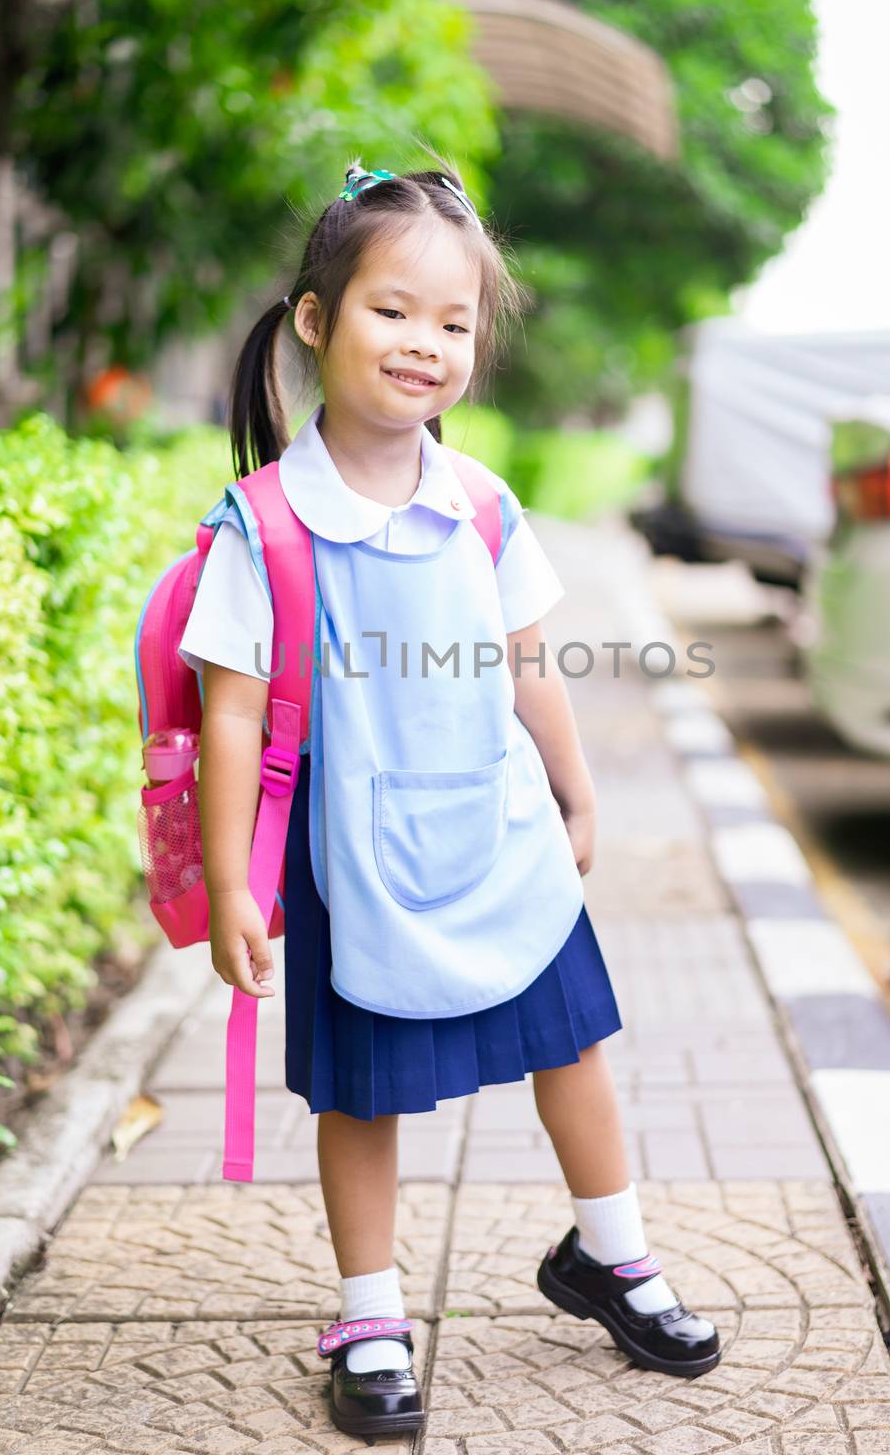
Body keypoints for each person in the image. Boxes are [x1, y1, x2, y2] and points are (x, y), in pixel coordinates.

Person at [178, 157, 721, 1441]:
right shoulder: (265, 527)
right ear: (315, 320)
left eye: (453, 321)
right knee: (358, 1094)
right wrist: (229, 893)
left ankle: (613, 1255)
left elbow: (530, 664)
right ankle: (369, 1312)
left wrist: (576, 795)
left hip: (499, 835)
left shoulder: (480, 505)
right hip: (351, 859)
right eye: (391, 310)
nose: (423, 342)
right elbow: (231, 714)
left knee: (572, 1046)